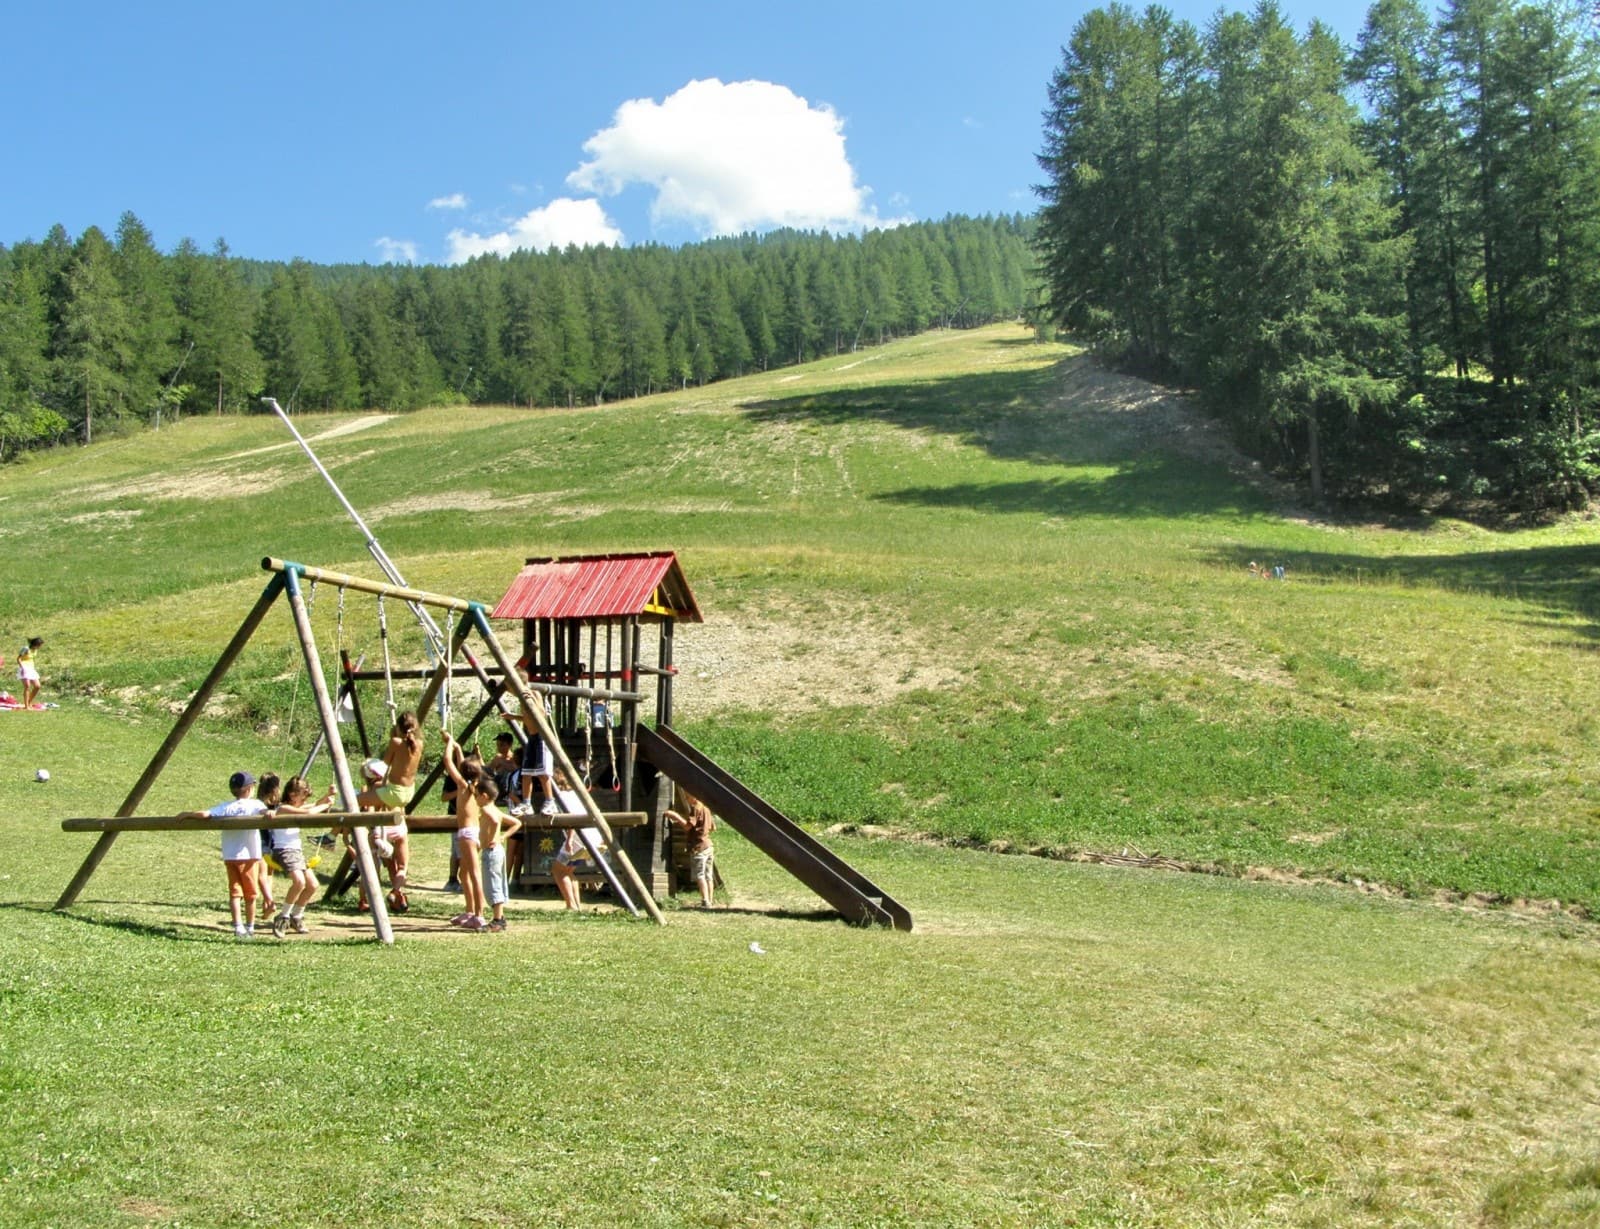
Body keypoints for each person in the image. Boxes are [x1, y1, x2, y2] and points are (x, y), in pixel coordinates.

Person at [186, 770, 268, 938]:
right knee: (251, 894)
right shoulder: (255, 804)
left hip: (230, 855)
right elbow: (266, 813)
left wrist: (186, 814)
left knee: (235, 892)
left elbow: (204, 814)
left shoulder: (226, 806)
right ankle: (250, 926)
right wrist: (271, 813)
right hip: (250, 855)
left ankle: (238, 926)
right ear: (249, 789)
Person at [358, 712, 423, 912]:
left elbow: (382, 767)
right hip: (408, 793)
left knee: (352, 802)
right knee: (400, 861)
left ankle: (333, 833)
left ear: (398, 728)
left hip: (393, 792)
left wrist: (366, 767)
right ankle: (396, 891)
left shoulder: (396, 742)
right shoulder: (419, 743)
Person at [268, 775, 335, 937]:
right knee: (299, 882)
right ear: (292, 795)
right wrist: (325, 804)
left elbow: (314, 806)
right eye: (303, 797)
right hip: (283, 851)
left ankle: (296, 916)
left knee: (312, 885)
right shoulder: (283, 808)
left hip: (296, 852)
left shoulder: (296, 807)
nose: (305, 801)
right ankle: (283, 916)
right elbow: (310, 812)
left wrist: (328, 795)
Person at [441, 732, 488, 930]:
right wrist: (459, 749)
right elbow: (460, 766)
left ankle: (480, 914)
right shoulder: (471, 785)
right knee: (465, 874)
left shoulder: (463, 786)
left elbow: (447, 761)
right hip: (468, 833)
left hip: (468, 834)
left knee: (474, 874)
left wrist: (450, 744)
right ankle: (470, 911)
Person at [548, 769, 605, 912]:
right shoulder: (577, 795)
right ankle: (576, 905)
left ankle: (571, 905)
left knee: (558, 870)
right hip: (594, 836)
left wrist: (569, 840)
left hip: (579, 838)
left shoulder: (562, 797)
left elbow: (572, 818)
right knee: (567, 870)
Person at [503, 690, 557, 818]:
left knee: (542, 774)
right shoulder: (521, 698)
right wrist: (513, 716)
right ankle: (526, 803)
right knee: (526, 773)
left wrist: (534, 702)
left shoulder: (534, 694)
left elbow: (541, 715)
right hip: (532, 737)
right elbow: (529, 718)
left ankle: (550, 801)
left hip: (541, 737)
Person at [665, 790, 717, 908]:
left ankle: (705, 901)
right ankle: (710, 900)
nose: (687, 800)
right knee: (708, 875)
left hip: (698, 848)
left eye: (688, 798)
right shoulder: (706, 809)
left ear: (694, 797)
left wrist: (675, 816)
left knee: (700, 875)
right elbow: (713, 827)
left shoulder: (695, 809)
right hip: (708, 846)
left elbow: (688, 827)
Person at [16, 636, 43, 709]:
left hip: (31, 668)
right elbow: (18, 659)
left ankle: (29, 701)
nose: (40, 647)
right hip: (24, 668)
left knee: (37, 686)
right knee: (27, 686)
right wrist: (22, 668)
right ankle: (26, 706)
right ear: (36, 644)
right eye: (39, 645)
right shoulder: (25, 649)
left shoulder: (35, 650)